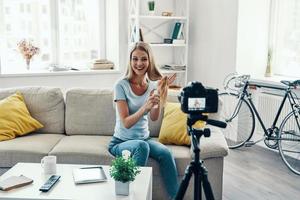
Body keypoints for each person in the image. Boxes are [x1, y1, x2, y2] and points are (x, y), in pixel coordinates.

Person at [108, 42, 178, 199]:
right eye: (135, 59)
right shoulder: (121, 85)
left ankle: (175, 197)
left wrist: (159, 95)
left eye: (143, 59)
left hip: (144, 139)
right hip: (120, 142)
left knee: (166, 153)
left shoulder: (152, 86)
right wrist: (144, 108)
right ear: (130, 61)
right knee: (141, 146)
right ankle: (136, 196)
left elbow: (153, 117)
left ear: (149, 61)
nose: (139, 63)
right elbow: (126, 122)